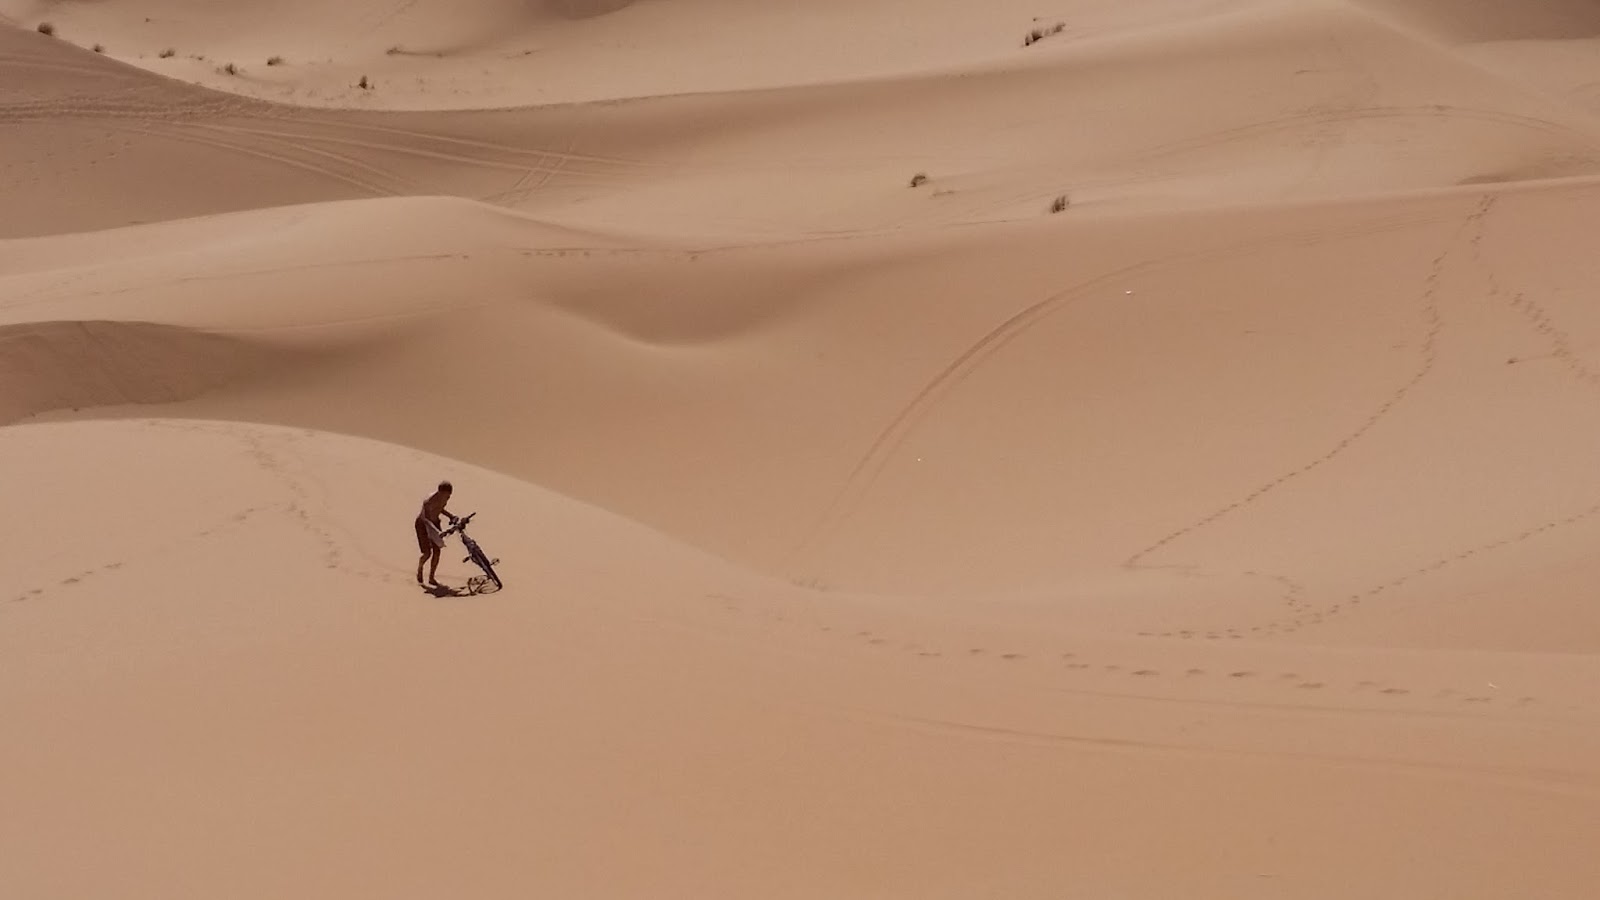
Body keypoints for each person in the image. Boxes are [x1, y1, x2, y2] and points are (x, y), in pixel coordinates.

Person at [415, 480, 457, 585]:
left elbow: (440, 508)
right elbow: (427, 519)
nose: (448, 497)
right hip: (423, 525)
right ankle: (420, 568)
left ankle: (431, 577)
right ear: (440, 492)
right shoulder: (429, 501)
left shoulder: (444, 498)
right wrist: (437, 532)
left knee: (437, 552)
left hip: (435, 523)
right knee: (427, 553)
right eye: (446, 495)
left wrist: (451, 516)